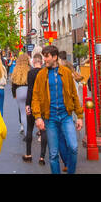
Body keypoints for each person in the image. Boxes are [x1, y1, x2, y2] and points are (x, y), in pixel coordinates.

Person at [31, 44, 82, 174]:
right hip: (50, 118)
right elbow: (35, 97)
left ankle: (71, 171)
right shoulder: (41, 75)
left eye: (47, 57)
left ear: (54, 57)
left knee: (73, 147)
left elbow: (73, 95)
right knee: (53, 154)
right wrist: (37, 117)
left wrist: (80, 116)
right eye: (43, 57)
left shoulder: (65, 72)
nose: (44, 60)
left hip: (66, 116)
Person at [22, 51, 47, 163]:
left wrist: (27, 104)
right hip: (43, 104)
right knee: (43, 130)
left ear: (33, 62)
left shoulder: (30, 73)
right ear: (41, 62)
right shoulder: (45, 72)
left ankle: (28, 154)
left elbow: (30, 90)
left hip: (32, 103)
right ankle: (42, 157)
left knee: (30, 128)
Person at [9, 53, 31, 138]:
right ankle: (30, 131)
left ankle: (26, 134)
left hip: (19, 91)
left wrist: (14, 94)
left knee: (23, 113)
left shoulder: (15, 70)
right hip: (28, 91)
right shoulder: (29, 69)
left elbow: (13, 83)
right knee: (30, 112)